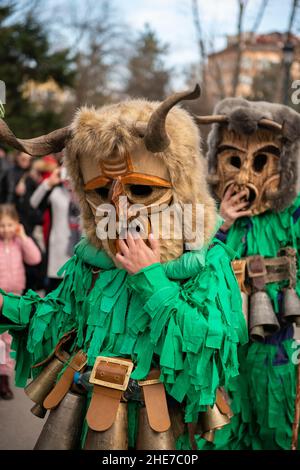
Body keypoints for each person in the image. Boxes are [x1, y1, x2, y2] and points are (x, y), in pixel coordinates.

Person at [0, 86, 246, 449]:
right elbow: (56, 322)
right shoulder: (93, 261)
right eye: (101, 194)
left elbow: (210, 352)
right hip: (89, 419)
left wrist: (152, 278)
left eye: (141, 190)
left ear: (181, 187)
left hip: (163, 425)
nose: (121, 210)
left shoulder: (207, 262)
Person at [195, 97, 300, 450]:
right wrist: (221, 220)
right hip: (226, 332)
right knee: (227, 412)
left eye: (259, 162)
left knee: (275, 413)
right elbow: (194, 264)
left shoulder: (291, 213)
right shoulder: (209, 213)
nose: (244, 175)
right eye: (235, 161)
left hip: (279, 334)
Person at [0, 204, 41, 399]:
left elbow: (35, 258)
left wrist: (23, 236)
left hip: (15, 298)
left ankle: (3, 378)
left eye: (9, 225)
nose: (5, 229)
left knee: (7, 341)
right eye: (2, 225)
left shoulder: (18, 242)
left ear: (16, 225)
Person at [30, 165, 81, 293]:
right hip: (58, 255)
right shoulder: (56, 191)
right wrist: (48, 183)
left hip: (81, 252)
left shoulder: (85, 191)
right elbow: (33, 203)